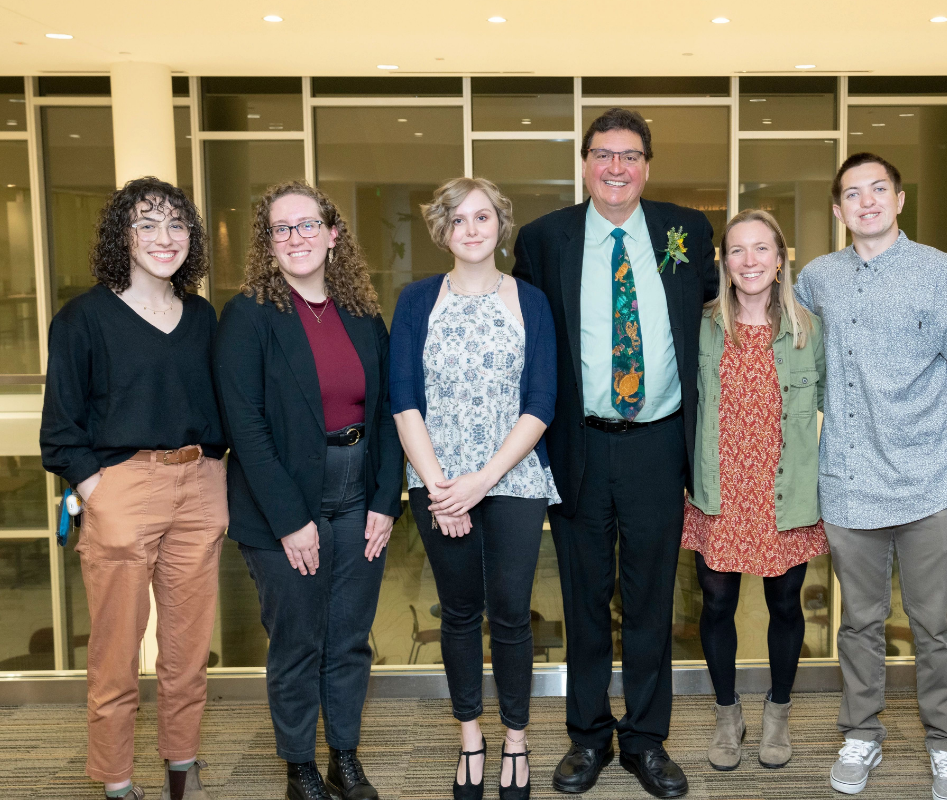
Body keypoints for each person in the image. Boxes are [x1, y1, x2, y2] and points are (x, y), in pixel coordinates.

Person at [513, 108, 718, 798]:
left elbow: (720, 316)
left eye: (630, 155)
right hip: (579, 443)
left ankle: (647, 739)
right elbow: (525, 342)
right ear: (584, 162)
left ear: (648, 165)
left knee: (652, 598)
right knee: (583, 596)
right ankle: (589, 736)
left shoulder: (685, 232)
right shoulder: (545, 240)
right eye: (603, 154)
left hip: (660, 442)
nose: (616, 168)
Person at [794, 152, 947, 800]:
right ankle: (861, 735)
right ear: (838, 209)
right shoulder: (817, 278)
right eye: (853, 193)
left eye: (879, 190)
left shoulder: (941, 273)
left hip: (932, 481)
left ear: (900, 200)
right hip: (850, 483)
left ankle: (946, 747)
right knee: (858, 625)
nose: (867, 201)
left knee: (935, 625)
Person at [213, 181, 402, 800]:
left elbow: (384, 414)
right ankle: (299, 766)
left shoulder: (361, 313)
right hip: (282, 505)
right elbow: (247, 427)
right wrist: (292, 522)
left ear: (333, 234)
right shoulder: (248, 315)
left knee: (349, 639)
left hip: (357, 499)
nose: (295, 237)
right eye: (280, 228)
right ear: (267, 243)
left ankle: (344, 756)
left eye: (306, 225)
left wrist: (384, 500)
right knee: (297, 641)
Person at [40, 177, 227, 800]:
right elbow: (61, 429)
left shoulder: (203, 317)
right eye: (146, 224)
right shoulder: (81, 319)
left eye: (176, 225)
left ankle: (182, 771)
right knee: (116, 657)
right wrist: (98, 491)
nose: (164, 238)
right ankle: (117, 783)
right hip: (121, 489)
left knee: (187, 653)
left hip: (199, 488)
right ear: (123, 236)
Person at [390, 177, 559, 800]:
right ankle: (471, 738)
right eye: (457, 220)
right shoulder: (415, 302)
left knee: (512, 612)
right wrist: (442, 490)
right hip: (435, 478)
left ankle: (516, 737)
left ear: (499, 225)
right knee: (459, 613)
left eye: (482, 217)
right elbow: (404, 399)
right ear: (442, 231)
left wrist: (483, 482)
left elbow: (542, 401)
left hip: (512, 477)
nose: (471, 229)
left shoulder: (531, 302)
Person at [682, 209, 829, 772]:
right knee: (716, 602)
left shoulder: (808, 329)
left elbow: (833, 410)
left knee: (784, 603)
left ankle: (778, 712)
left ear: (780, 257)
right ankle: (727, 713)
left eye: (761, 249)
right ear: (724, 260)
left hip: (784, 491)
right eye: (737, 250)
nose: (749, 262)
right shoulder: (702, 325)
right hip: (719, 488)